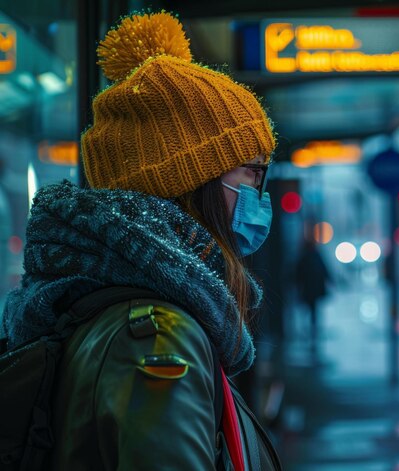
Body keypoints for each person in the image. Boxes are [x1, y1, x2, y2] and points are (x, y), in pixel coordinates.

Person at [0, 11, 280, 470]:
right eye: (251, 171)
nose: (258, 194)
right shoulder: (158, 339)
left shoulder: (106, 306)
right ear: (191, 178)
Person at [295, 232, 331, 355]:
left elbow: (297, 274)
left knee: (311, 309)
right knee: (313, 310)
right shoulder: (315, 256)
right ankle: (312, 329)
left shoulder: (304, 257)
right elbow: (325, 270)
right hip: (314, 289)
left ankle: (311, 329)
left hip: (309, 289)